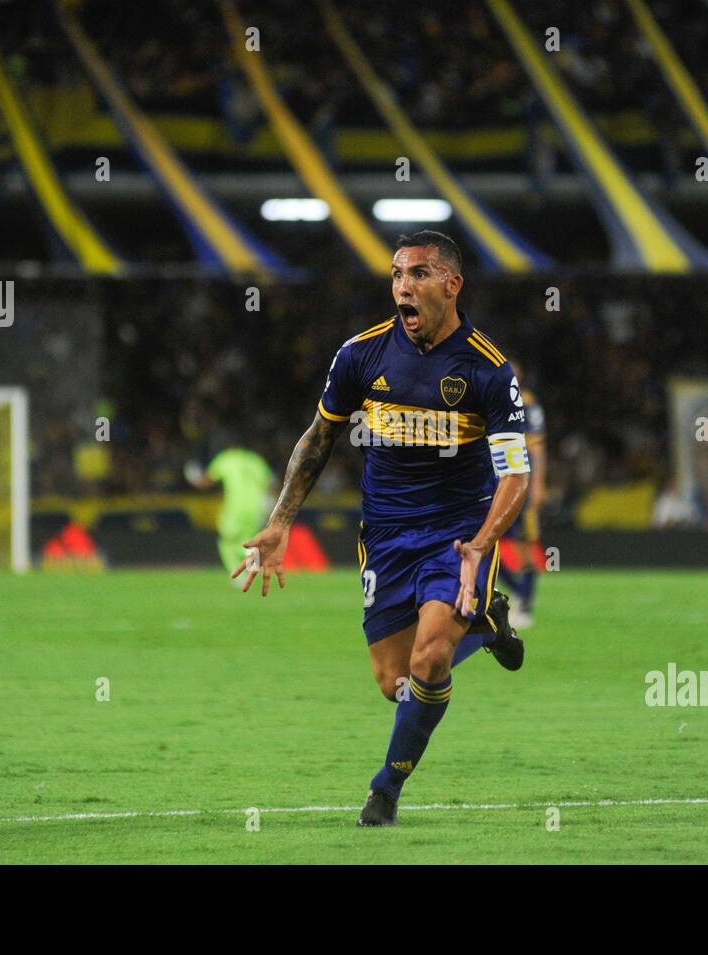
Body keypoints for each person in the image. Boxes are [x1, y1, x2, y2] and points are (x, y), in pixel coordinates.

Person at [232, 230, 529, 827]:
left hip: (457, 535)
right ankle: (487, 624)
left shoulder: (488, 369)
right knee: (395, 682)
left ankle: (384, 791)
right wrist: (280, 521)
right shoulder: (361, 356)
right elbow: (320, 437)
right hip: (387, 536)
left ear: (452, 284)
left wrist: (481, 544)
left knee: (431, 658)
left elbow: (516, 474)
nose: (402, 287)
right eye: (396, 275)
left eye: (418, 274)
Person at [499, 361, 546, 629]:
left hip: (523, 483)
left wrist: (537, 484)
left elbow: (537, 447)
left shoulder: (528, 403)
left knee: (526, 543)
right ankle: (518, 591)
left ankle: (525, 603)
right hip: (497, 484)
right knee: (486, 543)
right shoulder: (490, 397)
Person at [187, 446, 273, 573]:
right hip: (257, 508)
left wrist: (192, 476)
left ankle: (238, 575)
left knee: (226, 542)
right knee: (249, 540)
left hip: (236, 507)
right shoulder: (256, 460)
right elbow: (271, 484)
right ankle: (253, 569)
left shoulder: (227, 458)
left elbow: (205, 483)